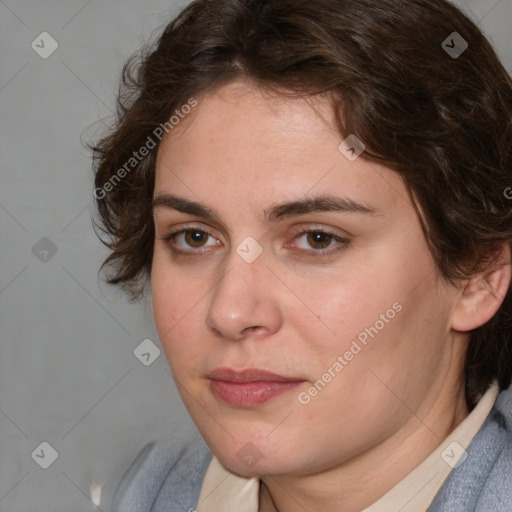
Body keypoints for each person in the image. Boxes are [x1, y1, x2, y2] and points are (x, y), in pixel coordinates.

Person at [91, 0, 512, 510]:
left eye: (317, 239)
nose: (229, 313)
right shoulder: (139, 491)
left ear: (478, 274)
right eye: (195, 237)